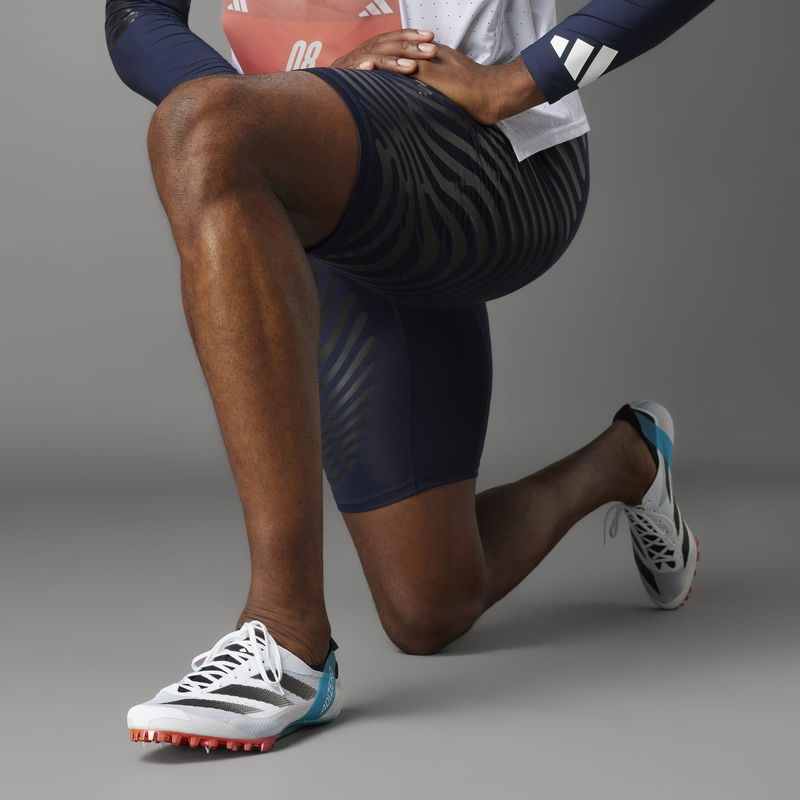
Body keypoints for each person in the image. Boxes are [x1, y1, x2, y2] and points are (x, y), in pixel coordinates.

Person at [105, 0, 714, 753]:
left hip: (483, 153)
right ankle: (629, 459)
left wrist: (520, 78)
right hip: (312, 168)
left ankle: (287, 638)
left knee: (204, 126)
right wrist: (266, 101)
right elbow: (135, 15)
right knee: (429, 605)